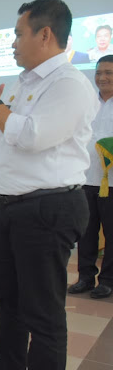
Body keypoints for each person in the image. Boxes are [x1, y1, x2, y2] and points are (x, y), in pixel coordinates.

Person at [0, 0, 100, 370]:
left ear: (45, 34)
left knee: (43, 310)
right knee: (8, 296)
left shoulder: (70, 84)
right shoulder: (25, 83)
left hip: (49, 208)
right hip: (13, 206)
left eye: (18, 34)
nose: (12, 44)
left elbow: (32, 136)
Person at [69, 55, 113, 299]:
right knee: (85, 232)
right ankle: (85, 277)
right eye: (98, 73)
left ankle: (107, 280)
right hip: (85, 179)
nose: (102, 77)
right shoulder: (88, 103)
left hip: (112, 182)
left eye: (108, 72)